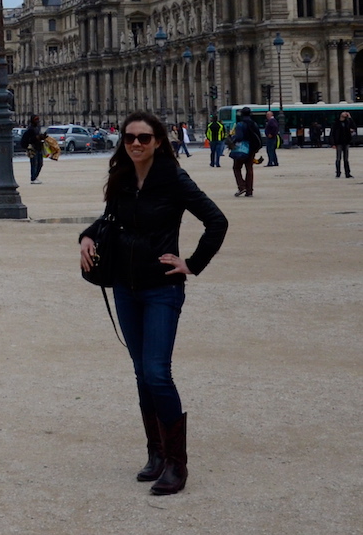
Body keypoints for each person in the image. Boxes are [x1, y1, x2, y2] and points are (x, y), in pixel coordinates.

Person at [78, 111, 228, 496]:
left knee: (158, 372)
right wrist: (86, 237)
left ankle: (178, 463)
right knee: (142, 373)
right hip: (125, 288)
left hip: (161, 288)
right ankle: (157, 452)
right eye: (130, 138)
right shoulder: (122, 177)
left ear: (159, 141)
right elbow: (110, 219)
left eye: (144, 138)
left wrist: (191, 264)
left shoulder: (173, 179)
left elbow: (217, 221)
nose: (136, 144)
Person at [232, 106, 263, 197]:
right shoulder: (254, 124)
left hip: (242, 149)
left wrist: (232, 140)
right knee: (249, 168)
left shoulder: (240, 124)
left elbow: (239, 137)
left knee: (237, 168)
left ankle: (242, 186)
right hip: (252, 148)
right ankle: (249, 190)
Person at [21, 114, 46, 184]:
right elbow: (28, 139)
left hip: (39, 147)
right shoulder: (30, 129)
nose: (38, 121)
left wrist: (42, 137)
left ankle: (35, 176)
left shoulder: (38, 127)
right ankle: (33, 178)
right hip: (32, 148)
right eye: (36, 119)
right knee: (34, 163)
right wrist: (36, 138)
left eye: (38, 119)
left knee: (40, 163)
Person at [331, 111, 356, 178]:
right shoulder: (336, 123)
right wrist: (333, 143)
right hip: (338, 142)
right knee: (338, 158)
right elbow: (332, 134)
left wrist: (350, 118)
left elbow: (354, 127)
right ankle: (338, 173)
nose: (345, 113)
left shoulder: (347, 122)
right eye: (344, 112)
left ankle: (347, 173)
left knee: (346, 159)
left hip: (346, 142)